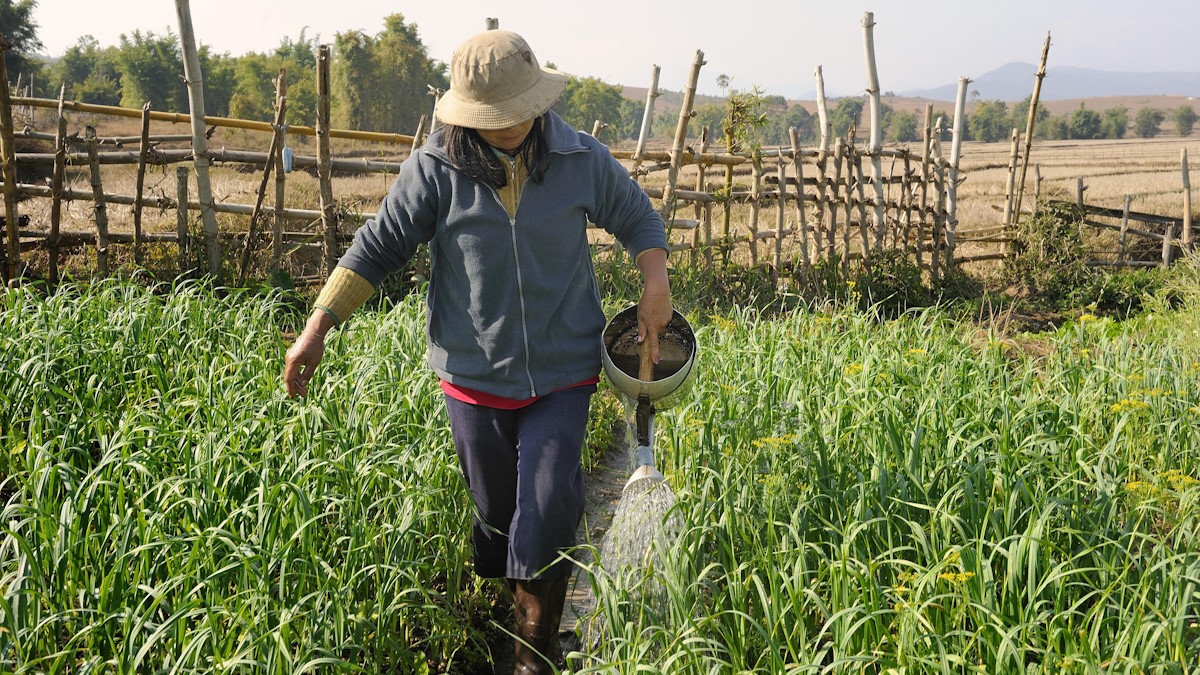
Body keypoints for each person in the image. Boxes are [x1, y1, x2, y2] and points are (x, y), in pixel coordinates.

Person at [282, 28, 672, 673]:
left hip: (563, 369)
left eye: (521, 111)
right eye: (496, 117)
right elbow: (377, 247)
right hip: (471, 372)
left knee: (547, 504)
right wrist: (316, 328)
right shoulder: (436, 169)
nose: (513, 125)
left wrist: (654, 282)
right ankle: (511, 612)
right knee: (497, 515)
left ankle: (533, 655)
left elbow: (637, 217)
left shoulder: (580, 156)